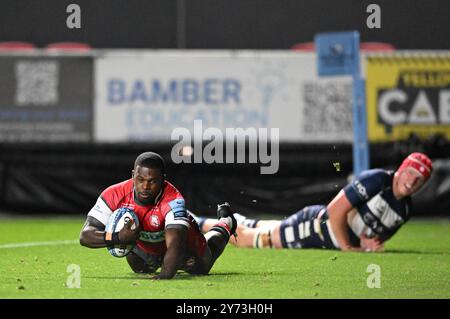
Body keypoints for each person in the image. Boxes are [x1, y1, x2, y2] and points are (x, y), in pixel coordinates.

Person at [194, 152, 433, 252]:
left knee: (256, 226)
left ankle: (199, 221)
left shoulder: (405, 209)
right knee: (252, 240)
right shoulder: (377, 180)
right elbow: (335, 211)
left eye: (419, 180)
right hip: (319, 227)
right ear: (401, 170)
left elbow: (374, 236)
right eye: (411, 173)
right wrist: (348, 248)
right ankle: (195, 228)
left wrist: (365, 242)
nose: (412, 182)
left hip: (326, 233)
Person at [79, 152, 236, 279]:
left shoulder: (173, 200)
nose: (145, 186)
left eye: (152, 181)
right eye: (140, 179)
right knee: (139, 268)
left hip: (182, 242)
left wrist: (165, 275)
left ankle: (226, 222)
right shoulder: (113, 194)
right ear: (133, 175)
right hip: (146, 246)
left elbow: (176, 244)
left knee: (201, 267)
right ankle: (157, 259)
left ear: (163, 180)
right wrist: (117, 237)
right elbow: (85, 236)